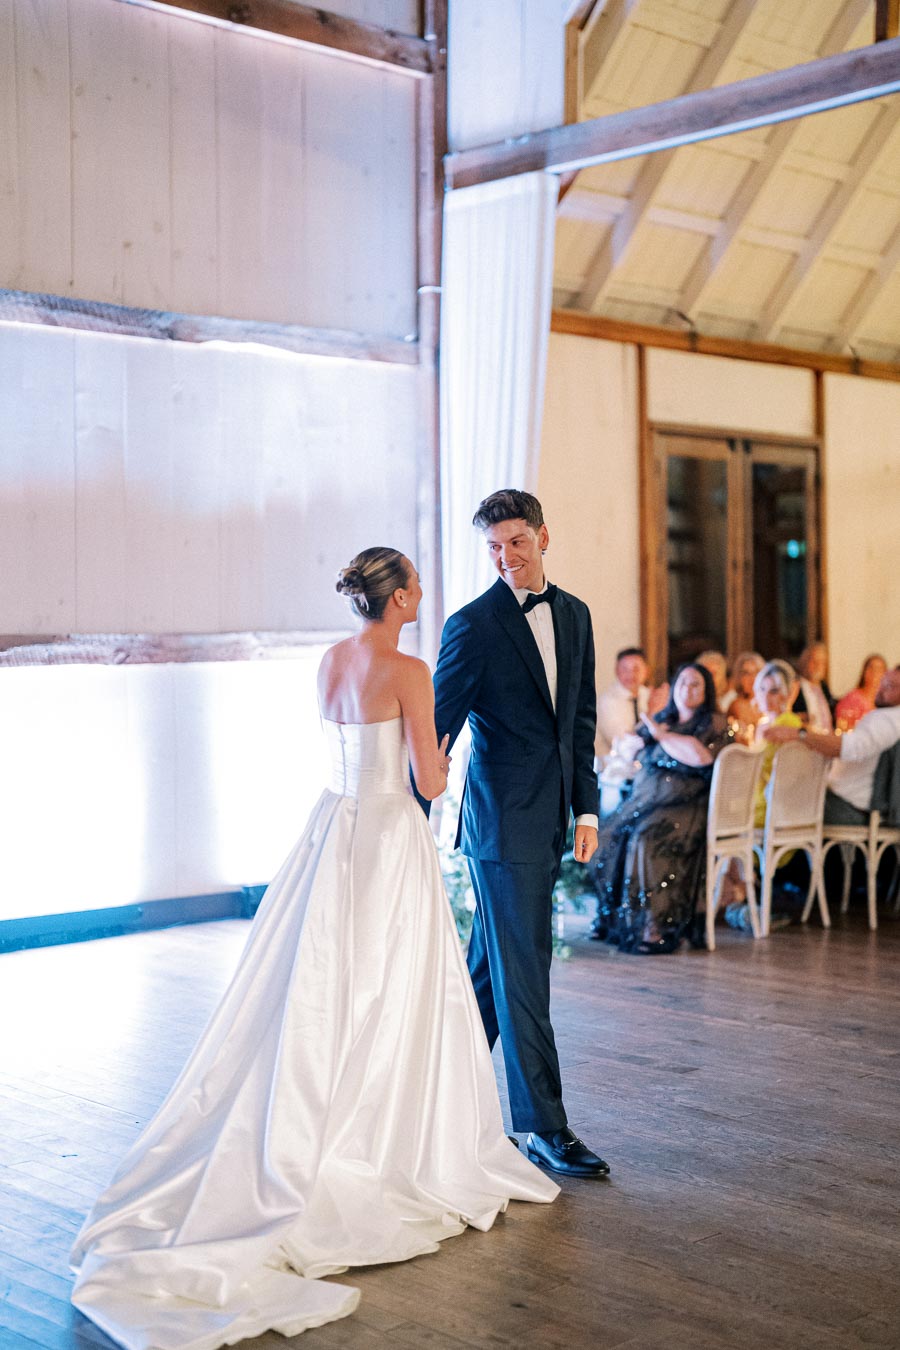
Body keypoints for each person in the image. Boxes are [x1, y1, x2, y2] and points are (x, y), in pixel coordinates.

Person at [70, 547, 557, 1350]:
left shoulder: (331, 659)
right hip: (389, 836)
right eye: (415, 587)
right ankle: (378, 1140)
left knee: (322, 982)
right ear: (399, 598)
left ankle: (320, 1116)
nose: (423, 594)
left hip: (331, 827)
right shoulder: (407, 668)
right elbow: (429, 784)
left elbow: (345, 747)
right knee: (392, 984)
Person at [426, 490, 608, 1179]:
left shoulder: (576, 615)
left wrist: (586, 811)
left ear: (544, 538)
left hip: (553, 817)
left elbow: (580, 721)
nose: (506, 559)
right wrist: (408, 812)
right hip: (500, 825)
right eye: (494, 548)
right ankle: (544, 1128)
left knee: (490, 971)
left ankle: (429, 1097)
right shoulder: (473, 625)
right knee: (526, 971)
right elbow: (439, 728)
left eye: (517, 543)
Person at [589, 663, 734, 953]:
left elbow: (701, 756)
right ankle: (616, 920)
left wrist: (661, 735)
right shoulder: (661, 719)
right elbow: (628, 748)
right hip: (647, 801)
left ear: (706, 692)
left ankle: (655, 926)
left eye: (695, 685)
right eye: (682, 683)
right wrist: (634, 741)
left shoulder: (713, 723)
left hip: (686, 805)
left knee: (646, 838)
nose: (687, 690)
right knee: (609, 835)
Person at [764, 664, 900, 826]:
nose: (881, 689)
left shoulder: (888, 719)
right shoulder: (889, 719)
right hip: (854, 806)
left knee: (772, 796)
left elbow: (851, 748)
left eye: (891, 686)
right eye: (883, 682)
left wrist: (799, 734)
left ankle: (756, 848)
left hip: (847, 808)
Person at [596, 646, 651, 756]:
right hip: (614, 766)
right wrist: (651, 714)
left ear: (647, 671)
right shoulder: (607, 702)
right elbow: (622, 744)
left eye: (636, 669)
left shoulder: (649, 695)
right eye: (625, 669)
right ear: (616, 671)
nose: (631, 674)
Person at [835, 653, 888, 730]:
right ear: (864, 672)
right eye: (871, 668)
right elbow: (842, 728)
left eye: (879, 669)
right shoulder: (851, 699)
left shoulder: (887, 703)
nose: (874, 672)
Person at [792, 641, 835, 731]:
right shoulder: (795, 688)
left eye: (822, 662)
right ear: (804, 662)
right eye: (814, 661)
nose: (818, 666)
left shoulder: (824, 688)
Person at [722, 650, 765, 727]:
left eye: (756, 672)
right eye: (746, 673)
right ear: (739, 677)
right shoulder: (737, 706)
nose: (752, 678)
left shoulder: (769, 704)